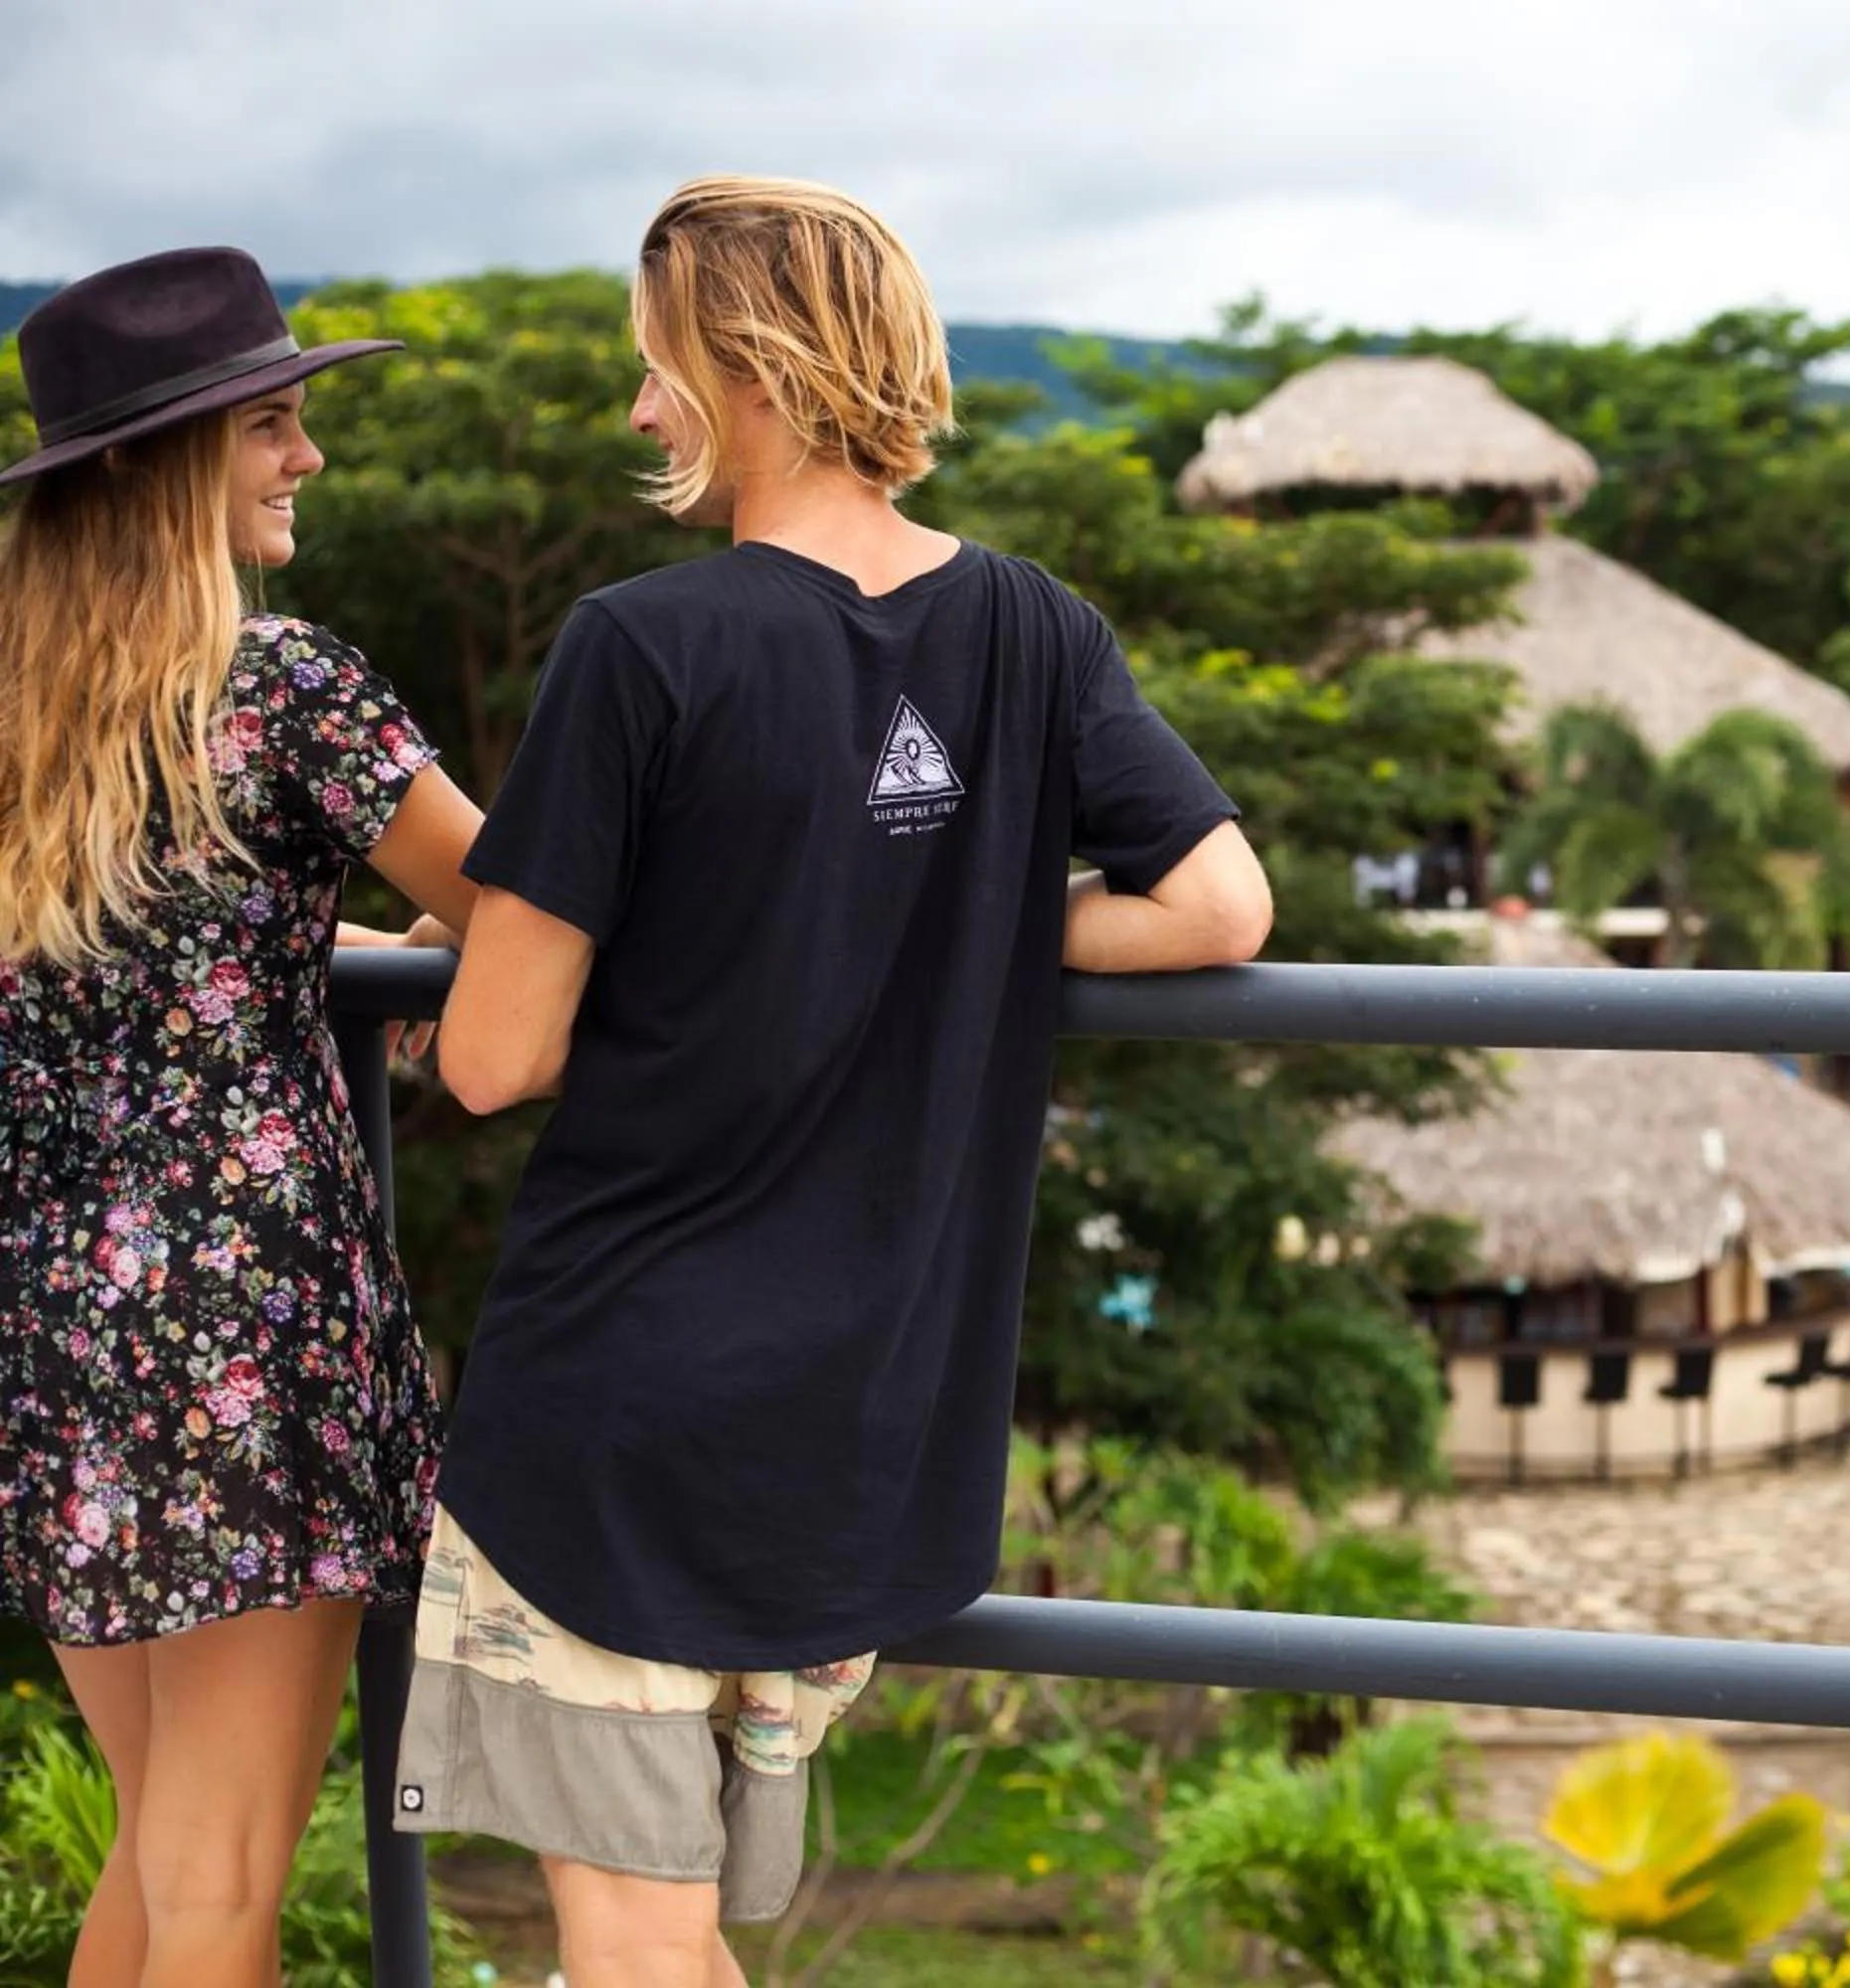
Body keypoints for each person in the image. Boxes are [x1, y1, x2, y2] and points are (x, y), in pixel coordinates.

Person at [397, 178, 1270, 1988]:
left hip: (622, 1410)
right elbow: (1216, 904)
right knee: (668, 1940)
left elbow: (492, 1056)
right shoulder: (1039, 628)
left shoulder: (642, 645)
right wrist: (955, 911)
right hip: (869, 1417)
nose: (641, 412)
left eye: (657, 368)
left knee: (627, 1944)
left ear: (750, 367)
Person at [0, 248, 484, 1988]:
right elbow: (530, 905)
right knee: (218, 1882)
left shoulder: (15, 703)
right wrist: (433, 948)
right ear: (160, 464)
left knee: (155, 1851)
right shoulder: (283, 688)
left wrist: (339, 941)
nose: (311, 459)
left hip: (53, 1333)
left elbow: (147, 942)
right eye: (275, 427)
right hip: (242, 1337)